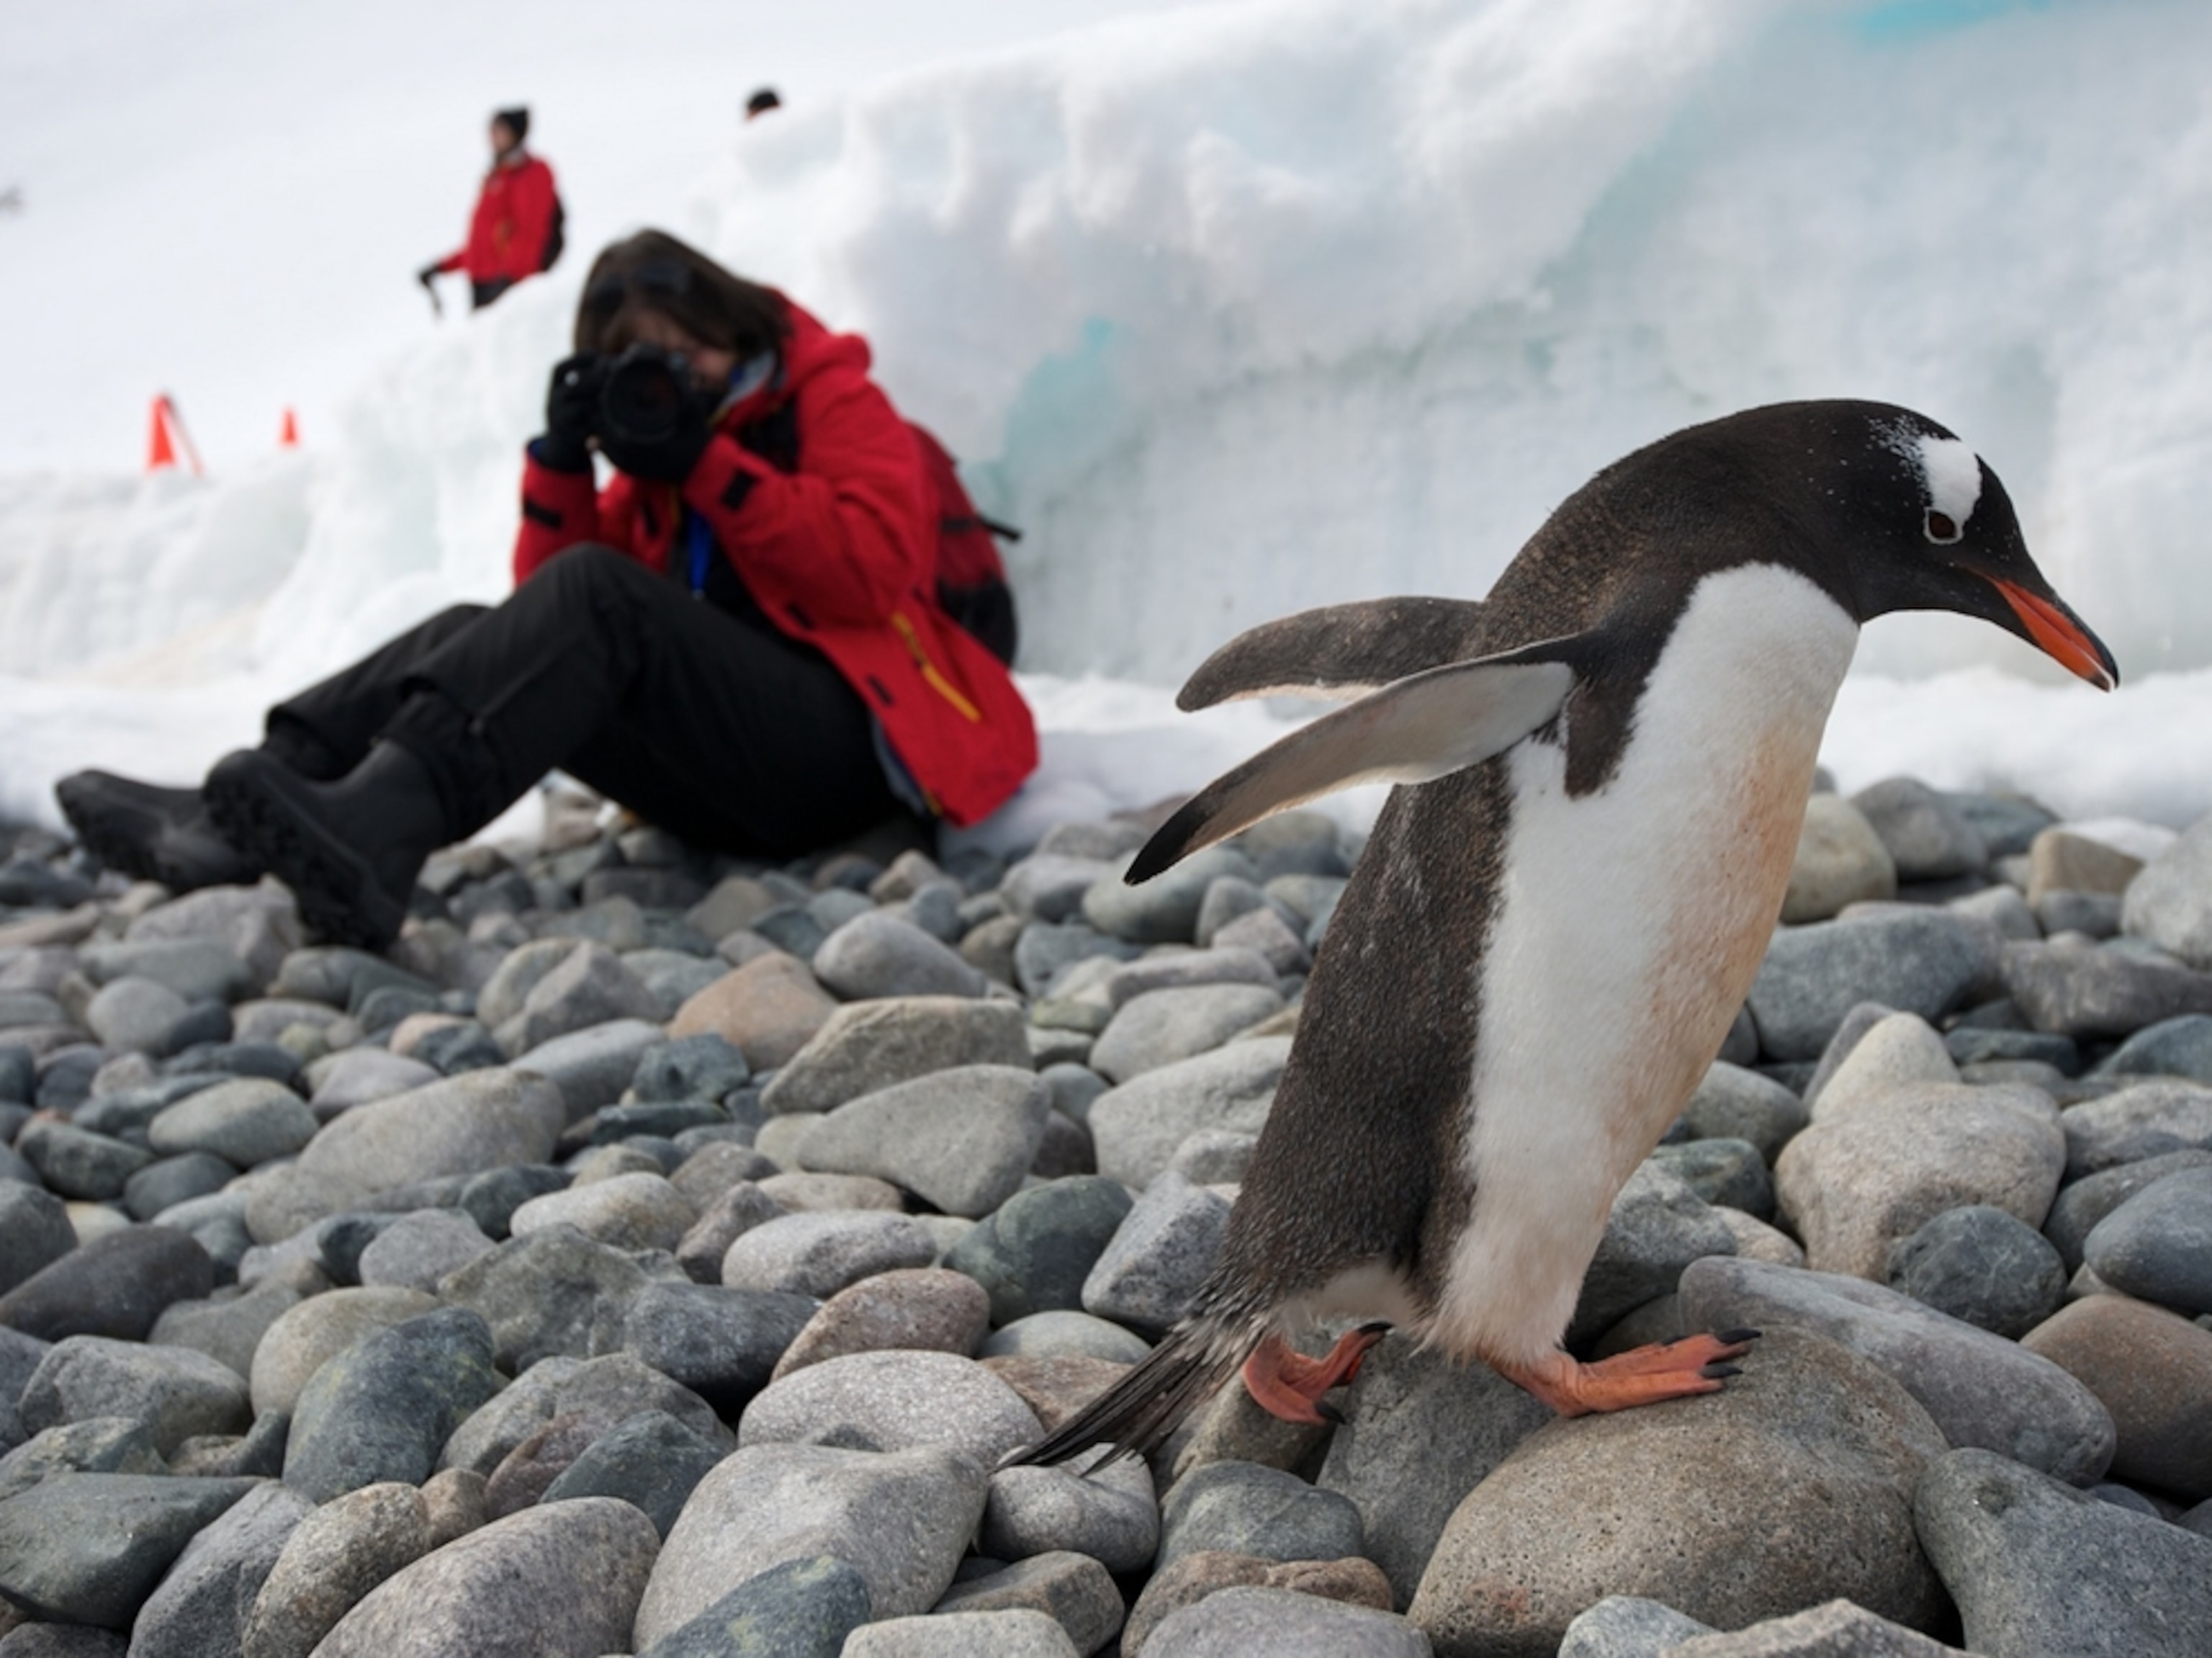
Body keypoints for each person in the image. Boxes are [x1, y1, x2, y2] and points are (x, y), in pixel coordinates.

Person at [60, 230, 1037, 951]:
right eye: (638, 364)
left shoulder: (828, 396)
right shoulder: (659, 457)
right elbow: (541, 629)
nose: (671, 377)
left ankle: (382, 828)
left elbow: (868, 571)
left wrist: (708, 463)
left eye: (680, 349)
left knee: (603, 592)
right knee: (465, 628)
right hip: (734, 773)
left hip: (855, 759)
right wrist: (566, 461)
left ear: (726, 326)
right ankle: (239, 815)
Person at [418, 107, 564, 312]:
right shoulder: (498, 177)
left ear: (516, 133)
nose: (492, 137)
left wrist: (512, 281)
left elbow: (531, 233)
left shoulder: (531, 174)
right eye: (491, 130)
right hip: (483, 285)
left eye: (500, 130)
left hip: (509, 289)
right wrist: (441, 267)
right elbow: (482, 243)